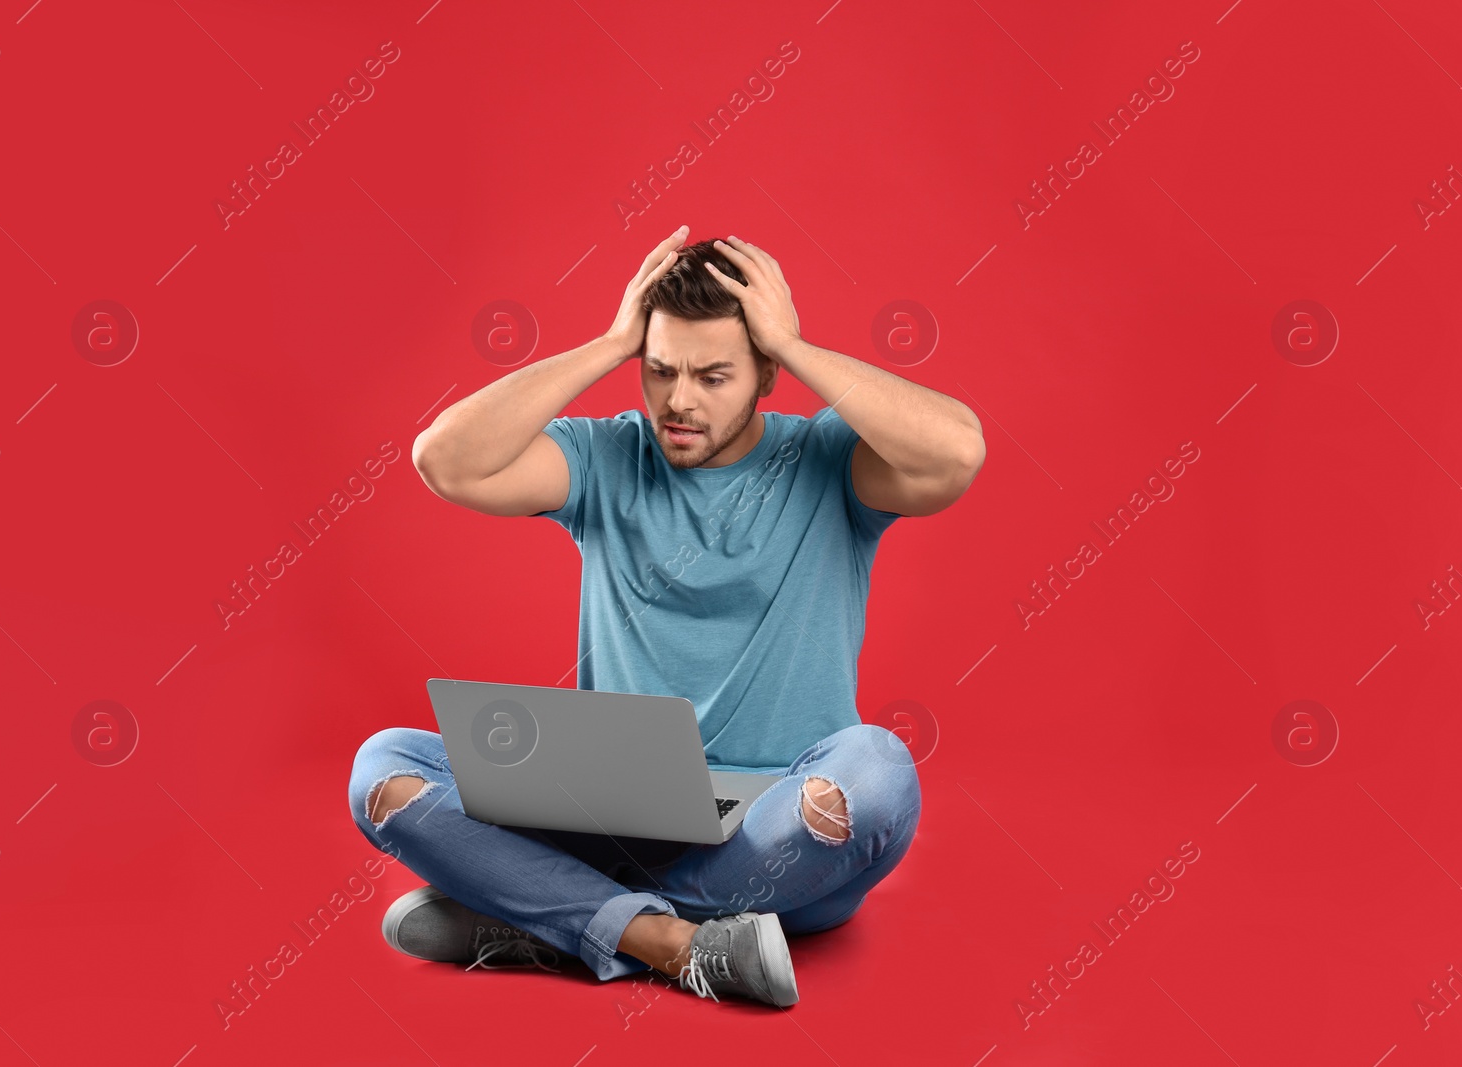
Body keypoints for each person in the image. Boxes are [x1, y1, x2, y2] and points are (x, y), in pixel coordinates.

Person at [347, 226, 986, 1008]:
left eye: (714, 376)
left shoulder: (829, 463)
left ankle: (553, 913)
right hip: (611, 820)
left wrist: (793, 339)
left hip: (780, 832)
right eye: (659, 372)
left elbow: (956, 452)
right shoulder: (607, 457)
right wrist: (610, 342)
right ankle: (669, 941)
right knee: (382, 769)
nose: (679, 400)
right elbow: (445, 460)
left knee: (880, 771)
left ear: (766, 376)